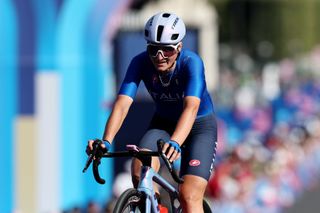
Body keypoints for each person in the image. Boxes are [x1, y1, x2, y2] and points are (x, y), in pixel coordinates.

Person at [87, 12, 218, 213]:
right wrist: (106, 141)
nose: (159, 56)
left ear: (180, 47)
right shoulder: (139, 62)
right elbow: (122, 105)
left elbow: (191, 108)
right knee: (140, 174)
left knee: (189, 195)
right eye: (154, 49)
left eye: (167, 50)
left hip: (198, 127)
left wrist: (175, 141)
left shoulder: (191, 63)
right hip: (163, 123)